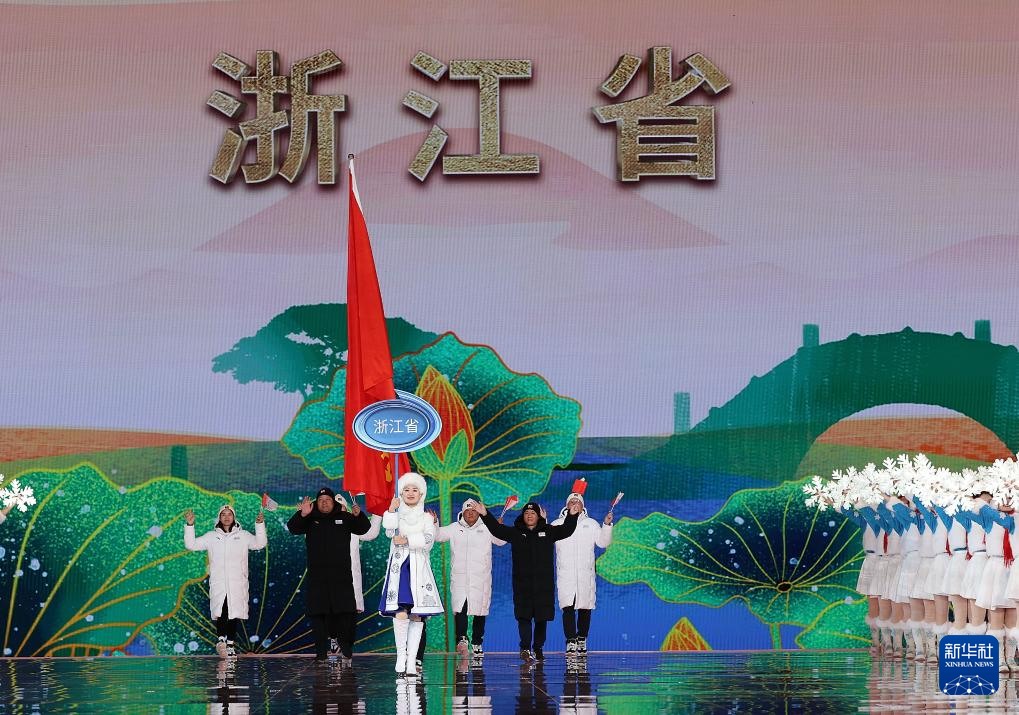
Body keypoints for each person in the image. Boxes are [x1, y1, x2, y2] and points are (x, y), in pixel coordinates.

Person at [477, 499, 579, 661]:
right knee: (523, 618)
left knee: (541, 619)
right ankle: (525, 648)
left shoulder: (548, 531)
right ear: (522, 516)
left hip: (543, 586)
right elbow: (497, 530)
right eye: (526, 513)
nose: (529, 515)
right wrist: (485, 514)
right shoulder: (516, 533)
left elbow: (566, 530)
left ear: (538, 516)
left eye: (533, 513)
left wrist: (572, 516)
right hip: (522, 586)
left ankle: (538, 648)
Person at [288, 486, 371, 662]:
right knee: (318, 615)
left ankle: (345, 646)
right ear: (316, 503)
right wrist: (302, 514)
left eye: (327, 500)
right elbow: (293, 528)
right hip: (317, 578)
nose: (324, 503)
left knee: (345, 613)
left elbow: (363, 528)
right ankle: (321, 654)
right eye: (320, 500)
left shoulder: (344, 517)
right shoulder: (310, 518)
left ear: (333, 502)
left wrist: (359, 515)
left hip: (341, 577)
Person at [380, 472, 443, 676]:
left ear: (421, 494)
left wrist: (407, 540)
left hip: (419, 569)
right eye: (406, 489)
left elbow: (428, 540)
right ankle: (401, 657)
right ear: (401, 493)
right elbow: (389, 531)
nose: (410, 493)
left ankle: (411, 661)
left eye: (415, 489)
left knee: (416, 614)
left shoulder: (427, 517)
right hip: (400, 569)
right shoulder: (397, 515)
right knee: (400, 611)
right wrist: (391, 510)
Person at [183, 504, 267, 657]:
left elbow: (260, 543)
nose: (227, 517)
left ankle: (230, 645)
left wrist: (259, 525)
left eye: (229, 514)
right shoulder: (211, 536)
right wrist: (190, 525)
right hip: (219, 582)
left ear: (234, 517)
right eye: (223, 514)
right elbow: (191, 545)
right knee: (221, 610)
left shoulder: (243, 535)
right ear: (219, 517)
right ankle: (221, 641)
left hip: (237, 582)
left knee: (233, 612)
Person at [435, 499, 507, 660]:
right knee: (460, 608)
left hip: (480, 578)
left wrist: (498, 528)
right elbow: (438, 536)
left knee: (480, 611)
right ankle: (462, 639)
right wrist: (434, 523)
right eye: (467, 511)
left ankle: (477, 643)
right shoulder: (455, 528)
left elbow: (501, 541)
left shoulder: (487, 527)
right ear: (462, 512)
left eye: (474, 510)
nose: (470, 513)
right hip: (460, 577)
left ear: (478, 513)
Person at [551, 492, 613, 656]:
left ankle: (582, 638)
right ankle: (570, 640)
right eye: (572, 501)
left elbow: (603, 543)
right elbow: (546, 541)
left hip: (585, 574)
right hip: (566, 575)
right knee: (568, 607)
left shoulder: (591, 524)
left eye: (577, 501)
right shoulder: (557, 524)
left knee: (585, 607)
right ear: (566, 505)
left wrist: (607, 525)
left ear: (583, 506)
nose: (574, 503)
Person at [332, 494, 383, 653]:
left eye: (342, 508)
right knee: (333, 611)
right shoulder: (324, 527)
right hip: (331, 578)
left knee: (350, 614)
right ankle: (334, 640)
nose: (339, 511)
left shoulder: (353, 527)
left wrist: (378, 511)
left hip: (351, 579)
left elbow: (371, 533)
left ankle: (346, 646)